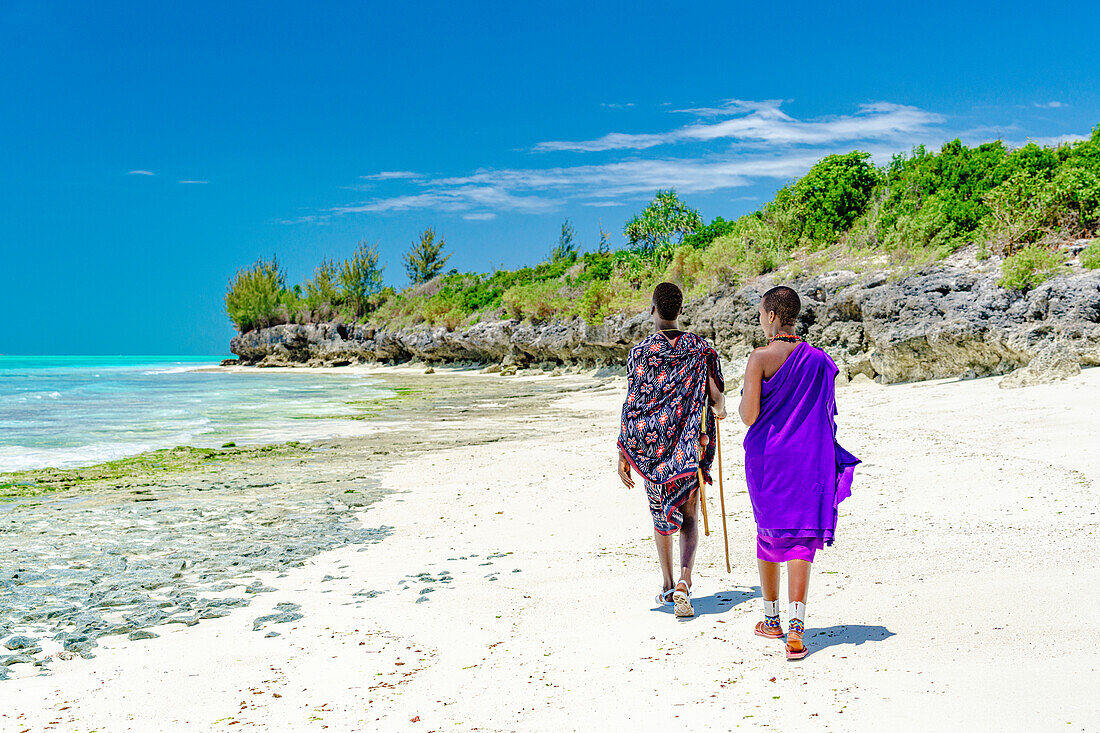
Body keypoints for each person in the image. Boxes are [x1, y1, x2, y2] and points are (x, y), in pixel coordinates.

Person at [738, 285, 859, 659]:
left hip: (768, 460)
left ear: (773, 316)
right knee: (801, 539)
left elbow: (749, 416)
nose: (760, 320)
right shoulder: (820, 361)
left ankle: (771, 619)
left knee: (768, 534)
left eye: (761, 313)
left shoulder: (760, 358)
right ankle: (796, 630)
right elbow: (826, 416)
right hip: (808, 461)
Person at [617, 282, 726, 618]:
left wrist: (623, 452)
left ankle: (666, 585)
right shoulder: (701, 350)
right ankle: (685, 580)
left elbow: (633, 405)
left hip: (653, 451)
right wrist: (718, 411)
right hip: (689, 447)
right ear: (680, 310)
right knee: (690, 515)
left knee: (661, 514)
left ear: (653, 310)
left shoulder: (640, 353)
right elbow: (717, 399)